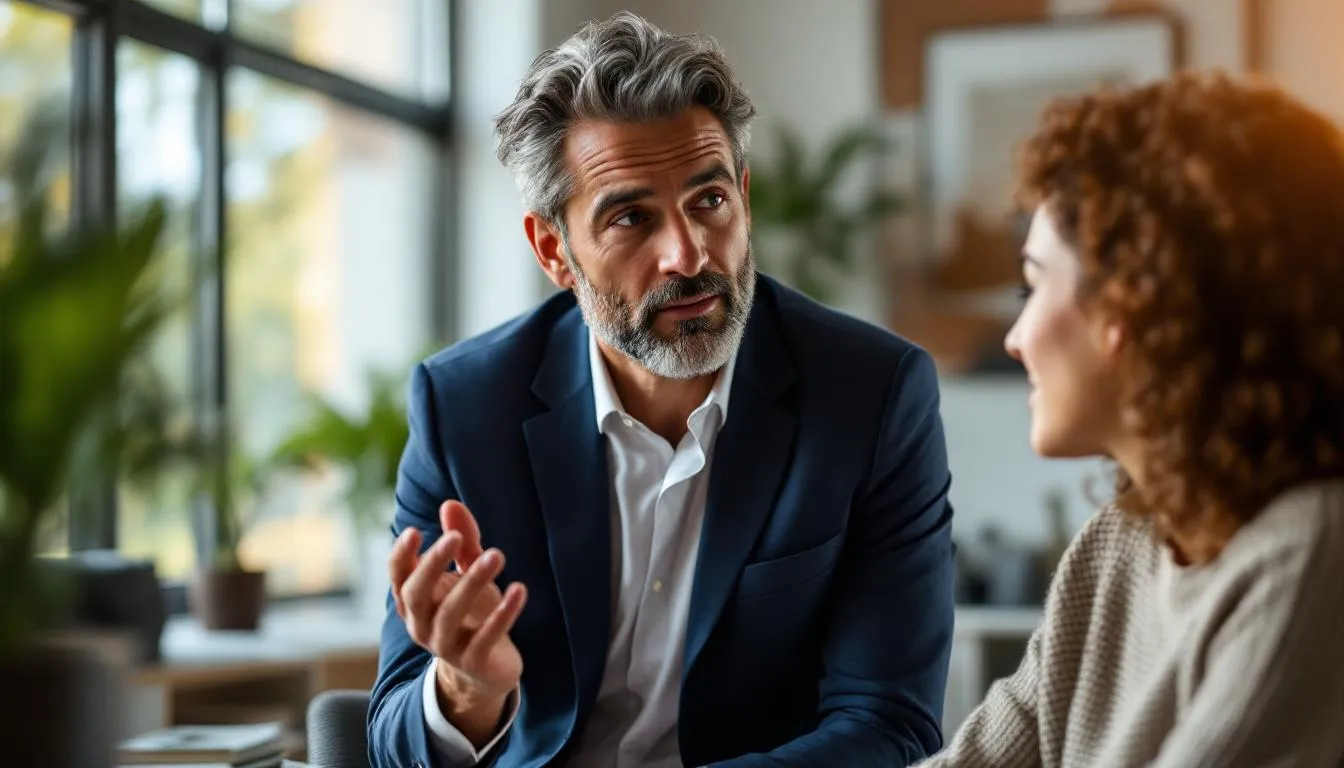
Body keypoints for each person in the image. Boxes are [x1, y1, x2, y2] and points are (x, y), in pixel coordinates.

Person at [366, 11, 957, 768]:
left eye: (709, 202)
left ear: (743, 197)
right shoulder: (465, 408)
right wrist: (465, 691)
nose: (688, 255)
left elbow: (889, 723)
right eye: (631, 218)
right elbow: (389, 741)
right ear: (554, 250)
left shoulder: (871, 395)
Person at [920, 71, 1344, 767]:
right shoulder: (1118, 541)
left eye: (1033, 286)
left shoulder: (1310, 555)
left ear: (1130, 304)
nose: (1015, 338)